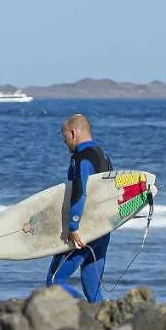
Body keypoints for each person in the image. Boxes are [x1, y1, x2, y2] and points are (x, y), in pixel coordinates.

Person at [46, 113, 113, 303]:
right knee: (92, 285)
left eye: (65, 136)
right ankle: (102, 320)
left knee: (55, 281)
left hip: (84, 231)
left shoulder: (81, 157)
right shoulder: (102, 155)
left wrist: (73, 226)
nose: (64, 142)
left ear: (73, 133)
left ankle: (82, 310)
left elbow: (80, 191)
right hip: (103, 229)